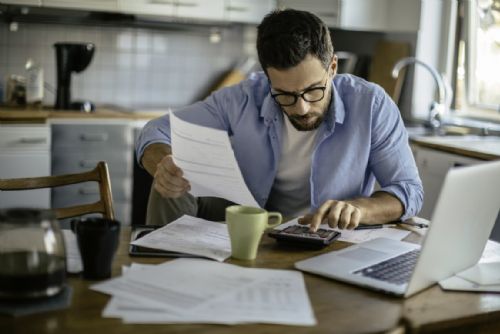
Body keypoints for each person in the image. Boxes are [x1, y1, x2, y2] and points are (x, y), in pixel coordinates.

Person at [135, 9, 423, 231]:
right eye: (284, 94)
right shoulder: (244, 97)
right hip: (250, 221)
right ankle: (164, 272)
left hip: (323, 235)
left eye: (313, 90)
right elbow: (156, 130)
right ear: (267, 77)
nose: (301, 107)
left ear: (332, 67)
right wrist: (164, 163)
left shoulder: (371, 104)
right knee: (173, 172)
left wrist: (359, 209)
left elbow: (408, 190)